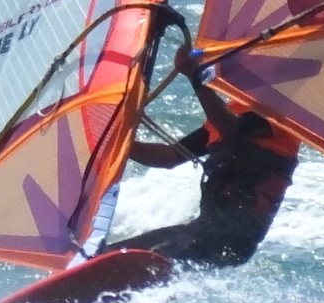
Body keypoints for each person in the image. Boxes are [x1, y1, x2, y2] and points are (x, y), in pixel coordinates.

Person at [109, 47, 300, 267]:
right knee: (114, 253)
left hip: (233, 238)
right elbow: (168, 156)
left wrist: (195, 75)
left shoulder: (279, 116)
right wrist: (116, 144)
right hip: (205, 230)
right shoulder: (233, 116)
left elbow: (230, 128)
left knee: (141, 260)